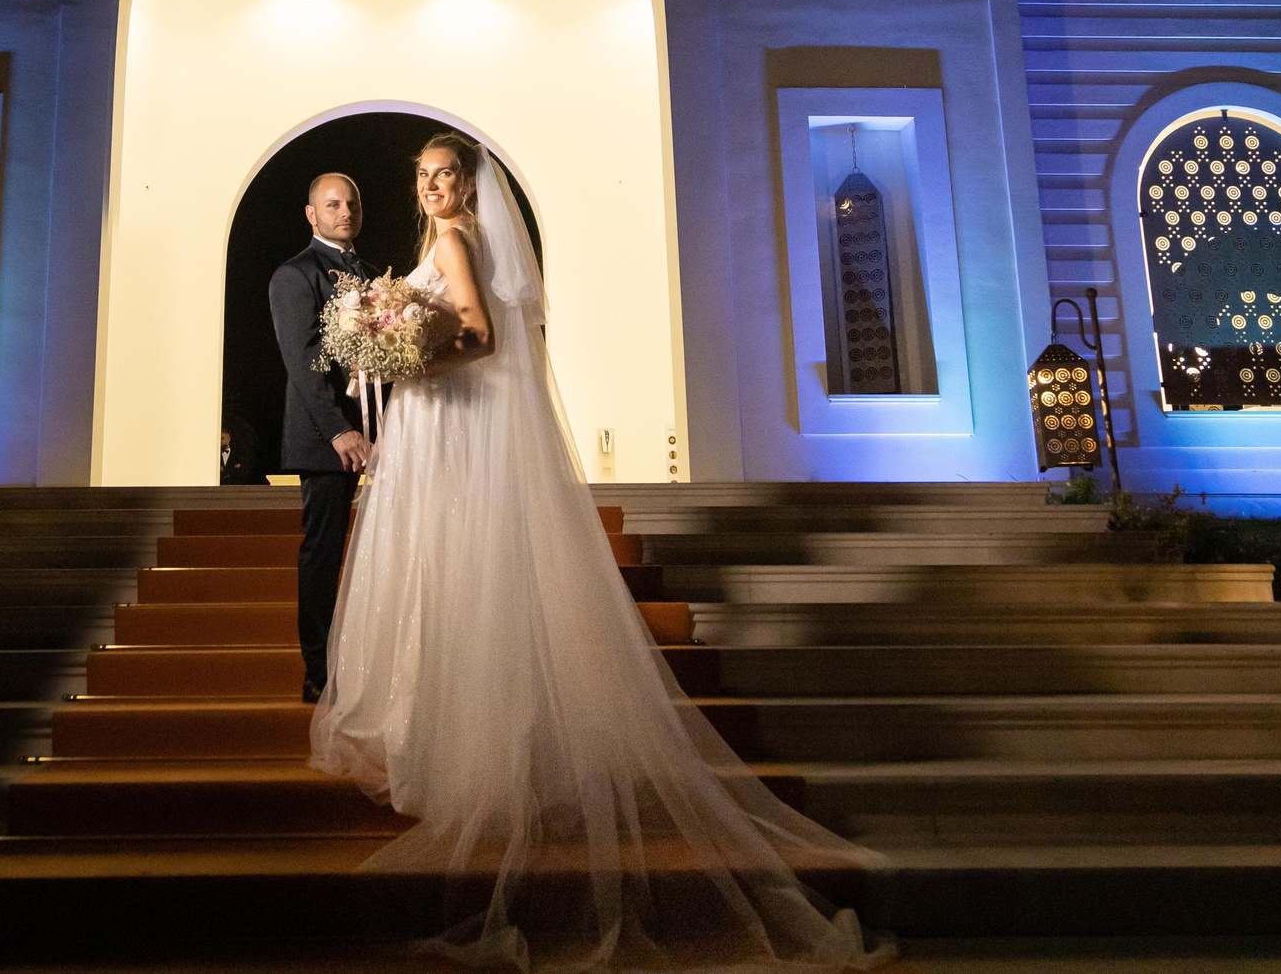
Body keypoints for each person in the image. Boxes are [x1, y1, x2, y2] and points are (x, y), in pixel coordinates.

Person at [311, 132, 894, 970]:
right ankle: (477, 741)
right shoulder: (439, 240)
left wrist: (411, 363)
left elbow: (482, 338)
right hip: (452, 429)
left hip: (450, 422)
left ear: (470, 188)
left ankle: (466, 753)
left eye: (448, 177)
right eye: (426, 178)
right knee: (463, 580)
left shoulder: (455, 241)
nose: (436, 188)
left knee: (456, 578)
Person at [267, 170, 378, 704]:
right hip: (327, 437)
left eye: (351, 203)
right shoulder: (296, 274)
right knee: (324, 552)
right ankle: (320, 674)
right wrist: (340, 429)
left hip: (380, 433)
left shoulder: (373, 275)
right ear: (312, 214)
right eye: (333, 204)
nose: (345, 211)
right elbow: (304, 361)